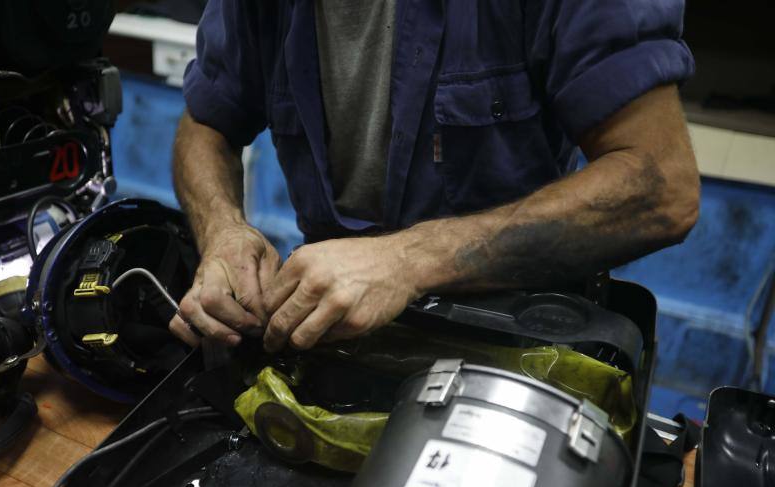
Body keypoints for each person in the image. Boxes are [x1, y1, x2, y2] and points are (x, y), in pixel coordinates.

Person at [168, 0, 700, 354]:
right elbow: (207, 122)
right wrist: (223, 232)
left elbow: (660, 189)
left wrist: (406, 260)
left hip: (516, 342)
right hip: (333, 339)